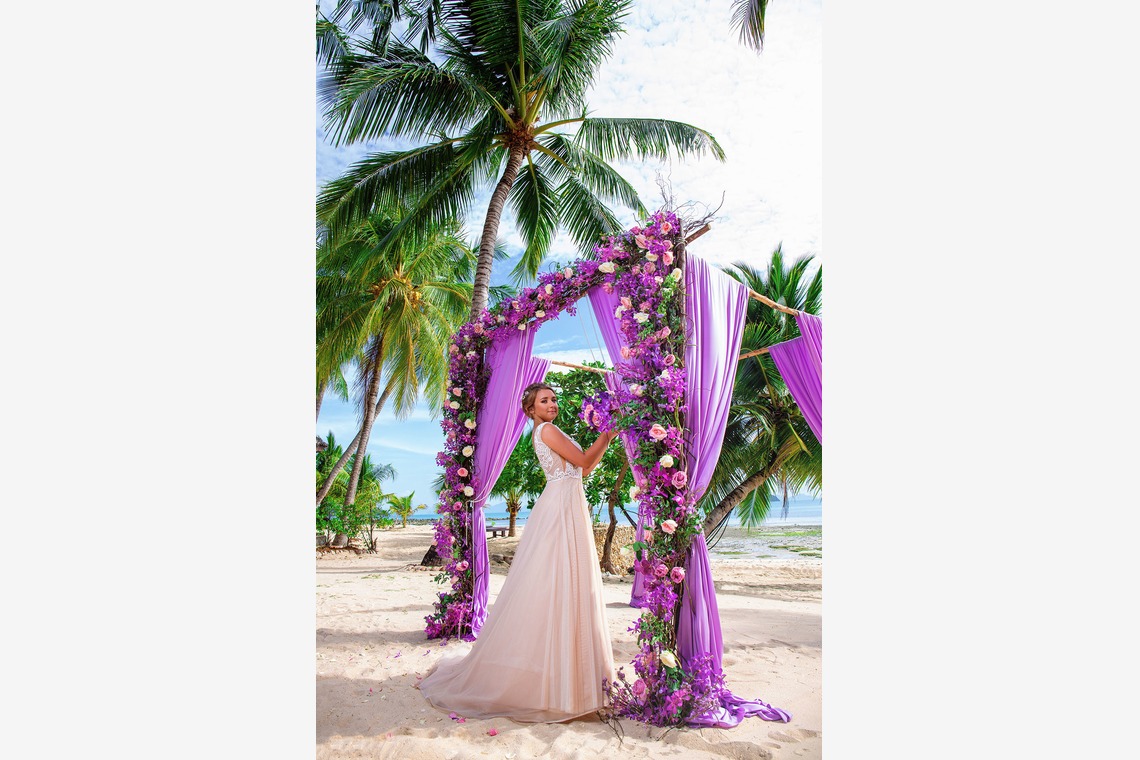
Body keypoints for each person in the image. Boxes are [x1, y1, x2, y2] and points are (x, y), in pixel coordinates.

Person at [416, 382, 621, 723]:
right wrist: (609, 433)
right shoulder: (548, 430)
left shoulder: (555, 430)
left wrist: (606, 439)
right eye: (544, 401)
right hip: (560, 510)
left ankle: (570, 676)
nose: (552, 404)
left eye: (554, 399)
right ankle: (562, 681)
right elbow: (585, 458)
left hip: (569, 503)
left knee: (568, 582)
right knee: (559, 581)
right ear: (531, 409)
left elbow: (584, 469)